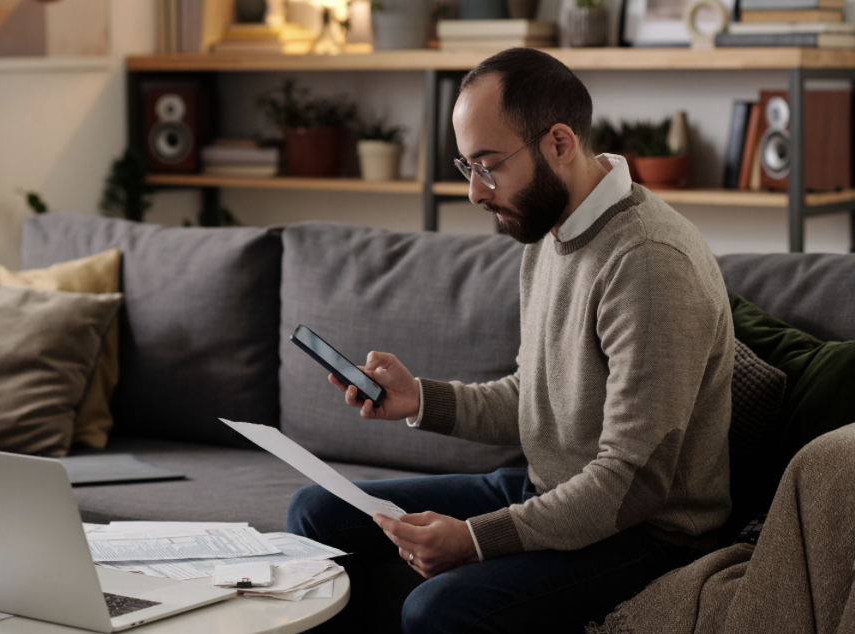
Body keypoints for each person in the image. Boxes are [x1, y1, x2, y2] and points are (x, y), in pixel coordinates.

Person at [286, 47, 734, 633]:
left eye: (488, 164)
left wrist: (474, 541)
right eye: (467, 166)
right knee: (318, 511)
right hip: (553, 488)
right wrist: (419, 399)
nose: (475, 191)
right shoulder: (549, 228)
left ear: (559, 144)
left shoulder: (649, 262)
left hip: (648, 532)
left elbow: (634, 483)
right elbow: (537, 397)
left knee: (436, 610)